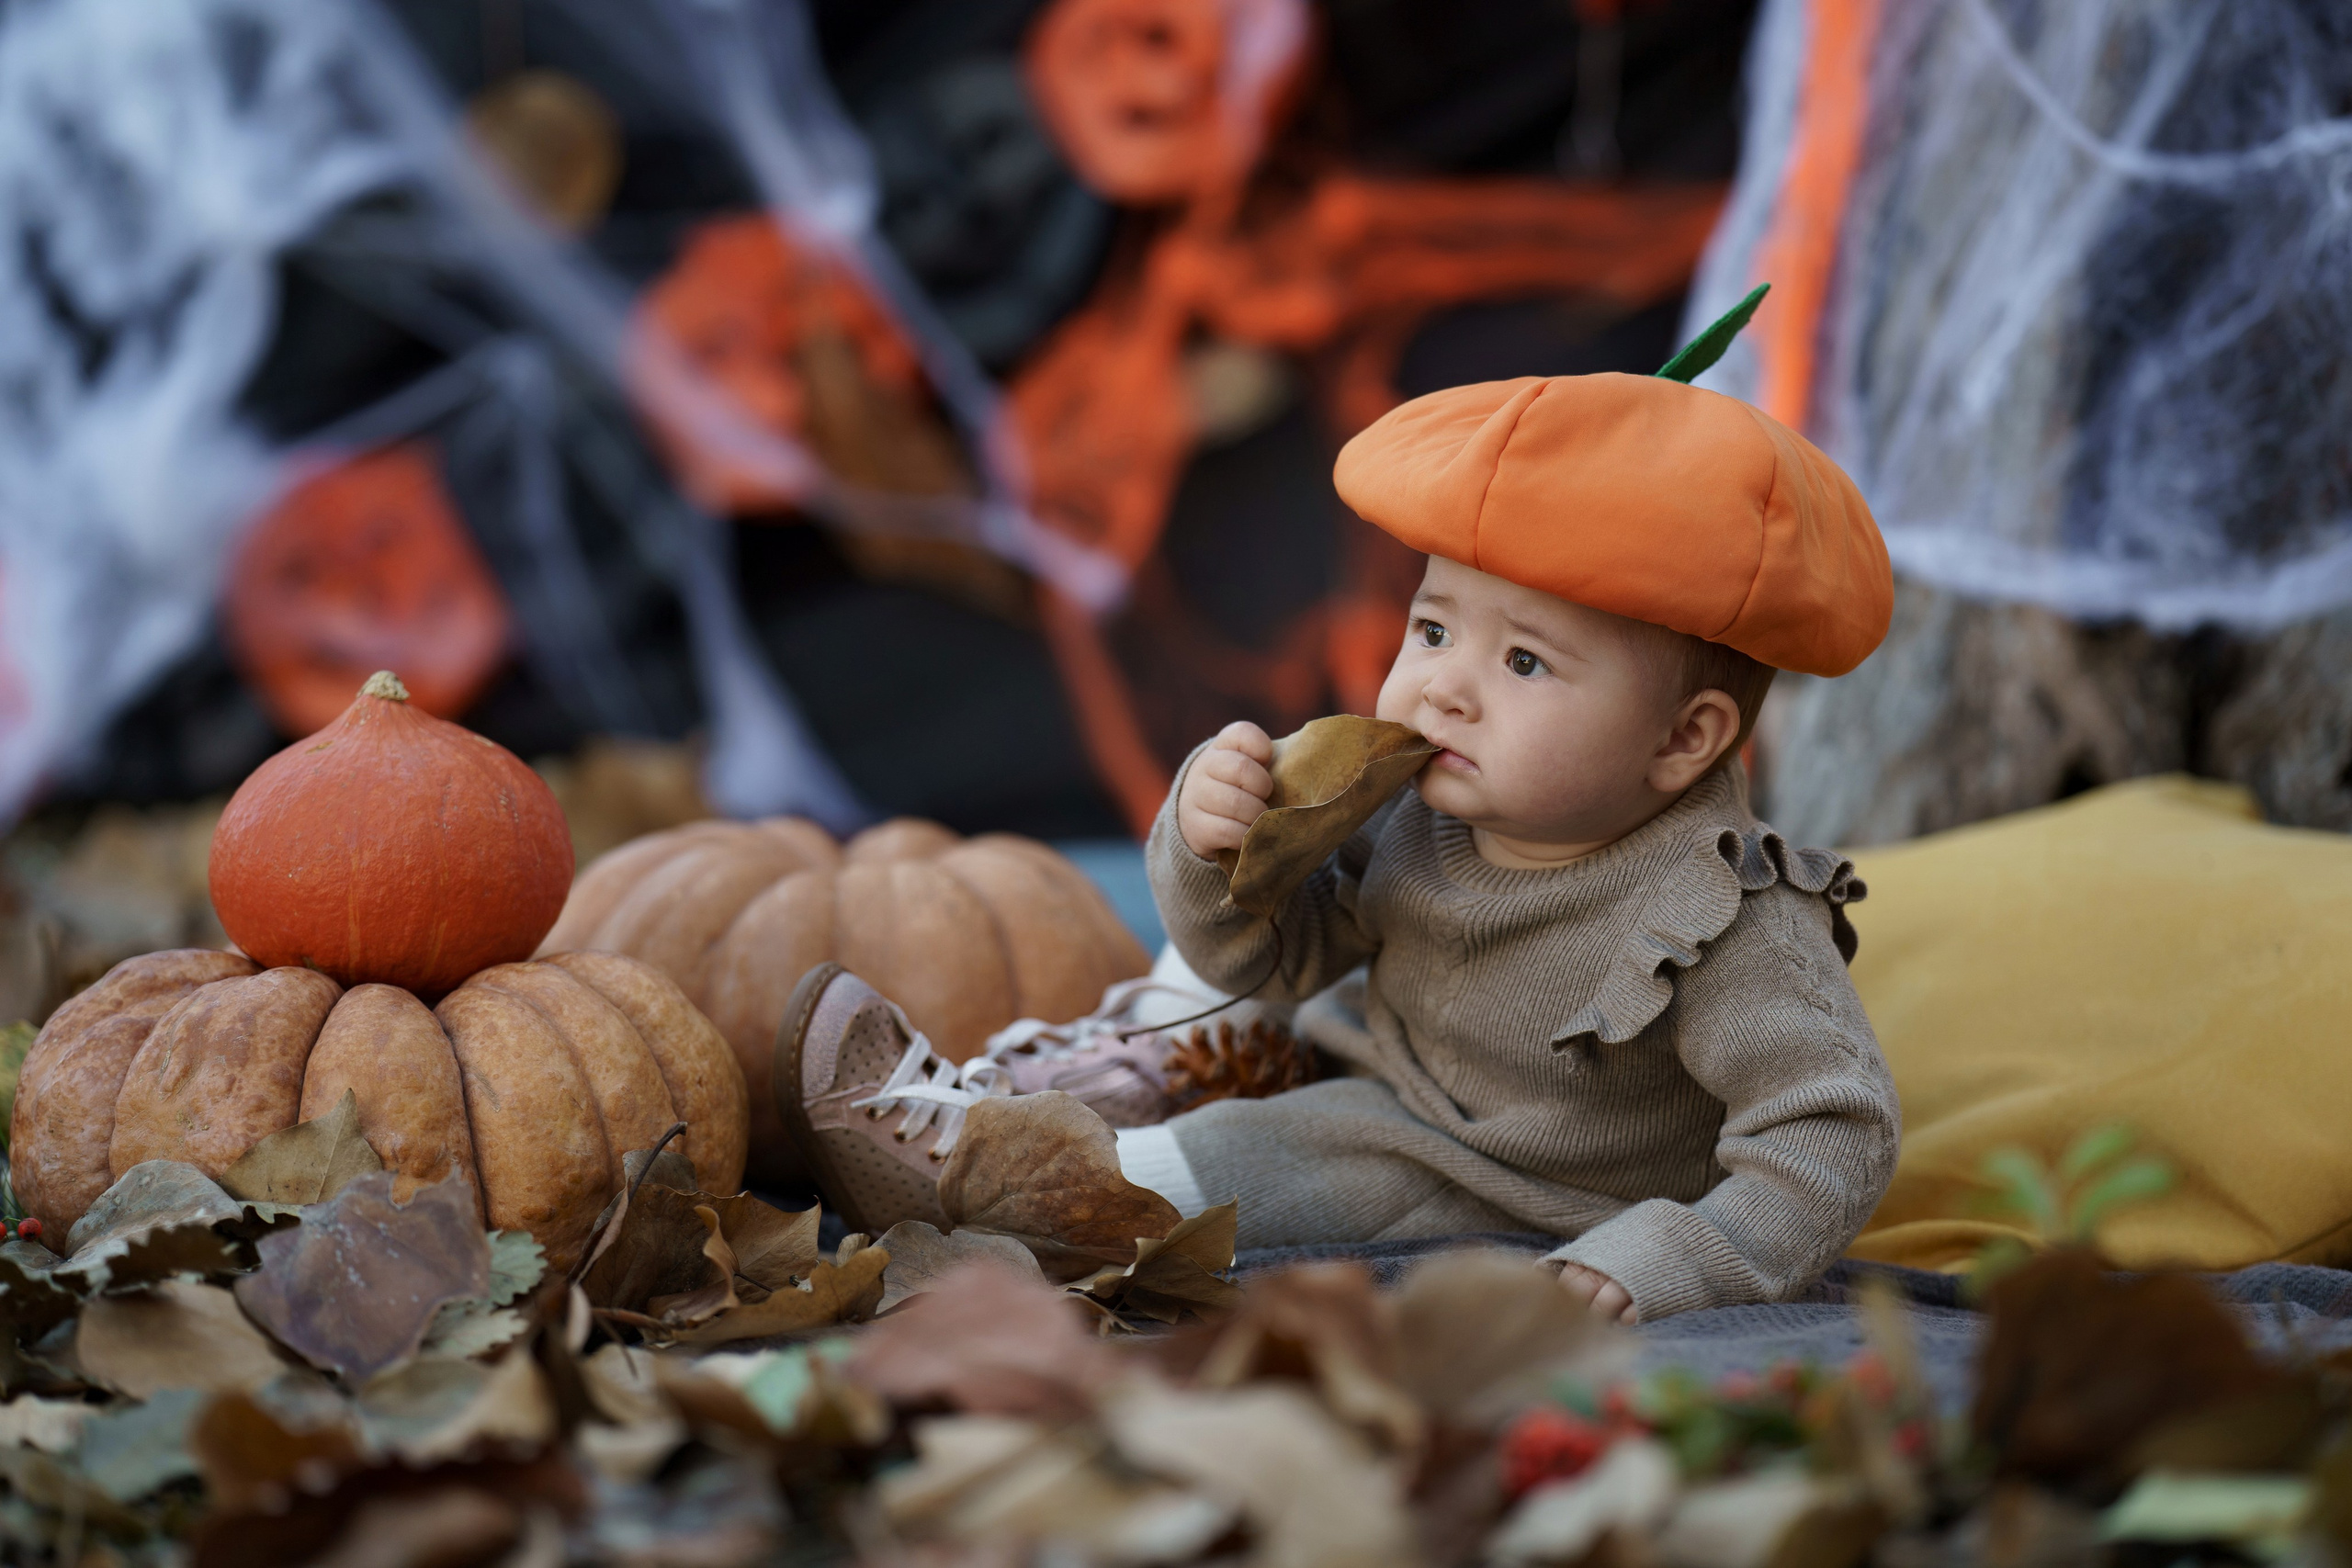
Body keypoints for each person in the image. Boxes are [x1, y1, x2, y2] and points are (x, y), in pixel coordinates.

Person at [775, 315, 1903, 1323]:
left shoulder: (1722, 920)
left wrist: (1683, 1252)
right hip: (1357, 1059)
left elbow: (1831, 1132)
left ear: (1683, 740)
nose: (1443, 688)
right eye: (1432, 630)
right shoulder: (1433, 797)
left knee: (1278, 1152)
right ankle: (1103, 1081)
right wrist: (1220, 846)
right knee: (1224, 983)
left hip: (1515, 1182)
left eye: (1522, 661)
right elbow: (1274, 956)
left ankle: (1012, 1186)